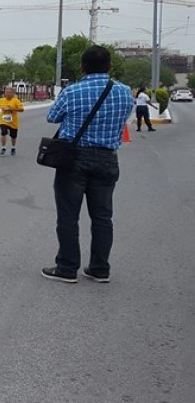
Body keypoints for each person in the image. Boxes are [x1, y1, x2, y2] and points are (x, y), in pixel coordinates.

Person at [42, 45, 134, 284]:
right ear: (110, 66)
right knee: (103, 217)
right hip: (107, 158)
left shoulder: (72, 91)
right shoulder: (124, 92)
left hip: (74, 159)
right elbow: (124, 117)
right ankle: (100, 268)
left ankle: (67, 268)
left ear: (82, 67)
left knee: (68, 216)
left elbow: (52, 117)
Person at [0, 86, 25, 155]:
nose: (8, 94)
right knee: (3, 132)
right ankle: (3, 147)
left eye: (10, 92)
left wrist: (12, 109)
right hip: (3, 120)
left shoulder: (16, 100)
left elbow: (22, 109)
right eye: (6, 92)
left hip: (13, 121)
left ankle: (13, 147)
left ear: (13, 93)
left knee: (13, 136)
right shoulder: (1, 100)